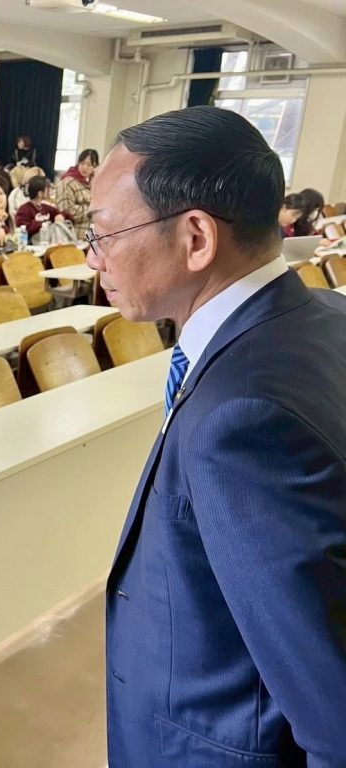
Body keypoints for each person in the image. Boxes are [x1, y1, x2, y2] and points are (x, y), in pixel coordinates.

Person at [91, 105, 346, 765]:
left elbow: (333, 711)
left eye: (105, 233)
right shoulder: (325, 315)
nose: (95, 259)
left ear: (197, 237)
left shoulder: (243, 420)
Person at [14, 176, 72, 244]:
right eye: (48, 189)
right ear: (40, 193)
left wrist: (61, 216)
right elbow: (23, 228)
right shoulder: (23, 210)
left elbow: (66, 215)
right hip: (32, 245)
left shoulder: (47, 208)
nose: (50, 191)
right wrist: (43, 225)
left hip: (50, 244)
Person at [56, 148, 99, 239]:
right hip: (74, 235)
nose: (85, 167)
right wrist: (93, 210)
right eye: (82, 163)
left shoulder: (93, 182)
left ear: (95, 166)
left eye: (89, 165)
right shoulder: (67, 182)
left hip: (91, 235)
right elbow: (67, 210)